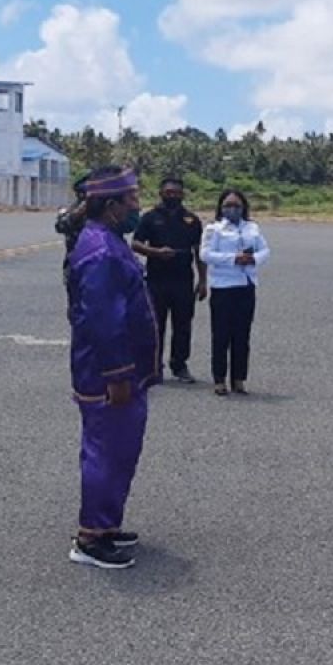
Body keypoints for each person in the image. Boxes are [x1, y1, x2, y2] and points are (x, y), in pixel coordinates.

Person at [66, 165, 158, 569]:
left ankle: (106, 524)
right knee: (106, 452)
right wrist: (118, 375)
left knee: (119, 450)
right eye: (133, 198)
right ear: (113, 206)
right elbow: (104, 318)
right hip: (107, 376)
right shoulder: (101, 250)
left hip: (119, 370)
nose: (138, 204)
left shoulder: (108, 239)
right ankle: (90, 538)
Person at [131, 176, 207, 383]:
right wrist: (155, 252)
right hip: (157, 280)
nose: (172, 196)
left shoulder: (191, 220)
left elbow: (199, 251)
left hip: (183, 280)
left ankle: (179, 365)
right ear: (161, 193)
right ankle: (153, 366)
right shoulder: (150, 217)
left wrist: (202, 281)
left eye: (176, 192)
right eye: (168, 192)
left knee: (183, 325)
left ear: (182, 195)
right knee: (156, 326)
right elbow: (136, 244)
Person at [199, 189, 271, 396]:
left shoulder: (252, 228)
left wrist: (254, 259)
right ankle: (219, 379)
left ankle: (239, 379)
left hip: (246, 285)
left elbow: (265, 250)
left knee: (242, 336)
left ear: (243, 207)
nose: (232, 209)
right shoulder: (214, 229)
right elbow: (205, 254)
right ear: (221, 208)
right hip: (223, 286)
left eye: (236, 206)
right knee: (221, 335)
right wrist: (233, 258)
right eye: (228, 205)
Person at [55, 174, 89, 296]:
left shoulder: (107, 210)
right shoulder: (73, 210)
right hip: (76, 262)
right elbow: (60, 226)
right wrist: (78, 213)